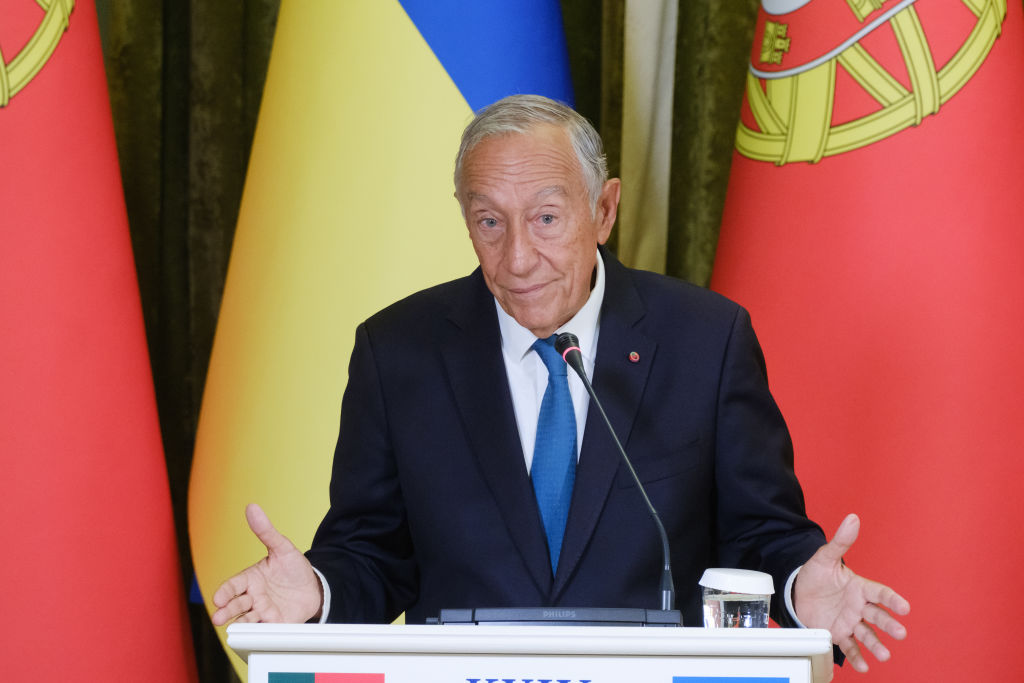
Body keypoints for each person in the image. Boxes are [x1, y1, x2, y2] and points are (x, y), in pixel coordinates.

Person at [212, 94, 909, 673]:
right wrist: (319, 590)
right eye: (489, 221)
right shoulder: (399, 351)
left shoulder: (706, 339)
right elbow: (373, 553)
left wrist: (799, 587)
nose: (517, 257)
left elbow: (759, 534)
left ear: (603, 210)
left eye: (546, 218)